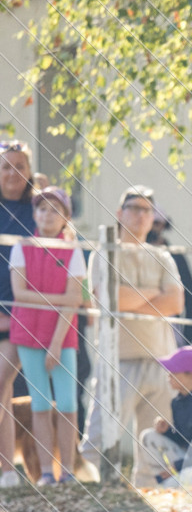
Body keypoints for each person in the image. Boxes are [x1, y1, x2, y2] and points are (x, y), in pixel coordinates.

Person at [80, 185, 184, 485]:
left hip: (161, 361)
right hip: (118, 360)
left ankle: (148, 500)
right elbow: (107, 299)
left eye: (147, 210)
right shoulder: (104, 253)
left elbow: (175, 303)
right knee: (98, 441)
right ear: (119, 213)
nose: (141, 215)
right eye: (134, 208)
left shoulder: (162, 256)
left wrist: (130, 298)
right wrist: (153, 293)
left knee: (156, 447)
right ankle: (85, 495)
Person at [9, 187, 85, 485]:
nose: (48, 215)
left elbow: (74, 300)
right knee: (40, 404)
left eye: (55, 210)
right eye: (42, 209)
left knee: (66, 405)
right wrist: (60, 299)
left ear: (66, 217)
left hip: (62, 336)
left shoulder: (73, 251)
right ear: (34, 214)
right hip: (27, 333)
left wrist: (55, 344)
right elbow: (20, 293)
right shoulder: (22, 247)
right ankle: (45, 473)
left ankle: (67, 470)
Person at [0, 141, 39, 488]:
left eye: (20, 166)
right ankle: (7, 472)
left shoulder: (40, 211)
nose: (13, 173)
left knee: (1, 383)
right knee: (5, 393)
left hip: (21, 316)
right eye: (5, 166)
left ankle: (8, 472)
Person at [136, 345, 192, 488]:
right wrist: (168, 432)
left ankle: (168, 484)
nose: (168, 375)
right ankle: (161, 483)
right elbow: (184, 442)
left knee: (175, 482)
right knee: (149, 436)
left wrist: (178, 465)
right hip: (188, 461)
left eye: (174, 371)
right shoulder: (177, 402)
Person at [146, 205, 192, 346]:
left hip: (171, 333)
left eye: (156, 223)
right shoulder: (135, 253)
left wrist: (188, 338)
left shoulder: (175, 257)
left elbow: (190, 297)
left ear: (164, 225)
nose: (151, 227)